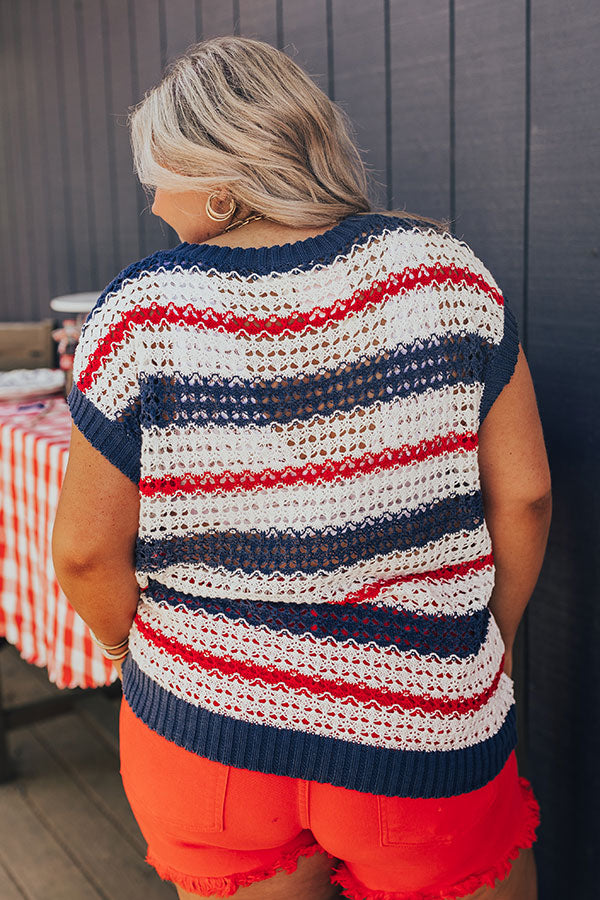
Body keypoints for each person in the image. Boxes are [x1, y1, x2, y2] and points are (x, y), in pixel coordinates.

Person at [52, 35, 551, 900]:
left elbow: (85, 554)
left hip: (206, 740)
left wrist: (148, 654)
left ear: (218, 179)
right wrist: (488, 643)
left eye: (157, 176)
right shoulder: (445, 276)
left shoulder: (140, 313)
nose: (154, 202)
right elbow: (529, 494)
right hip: (420, 728)